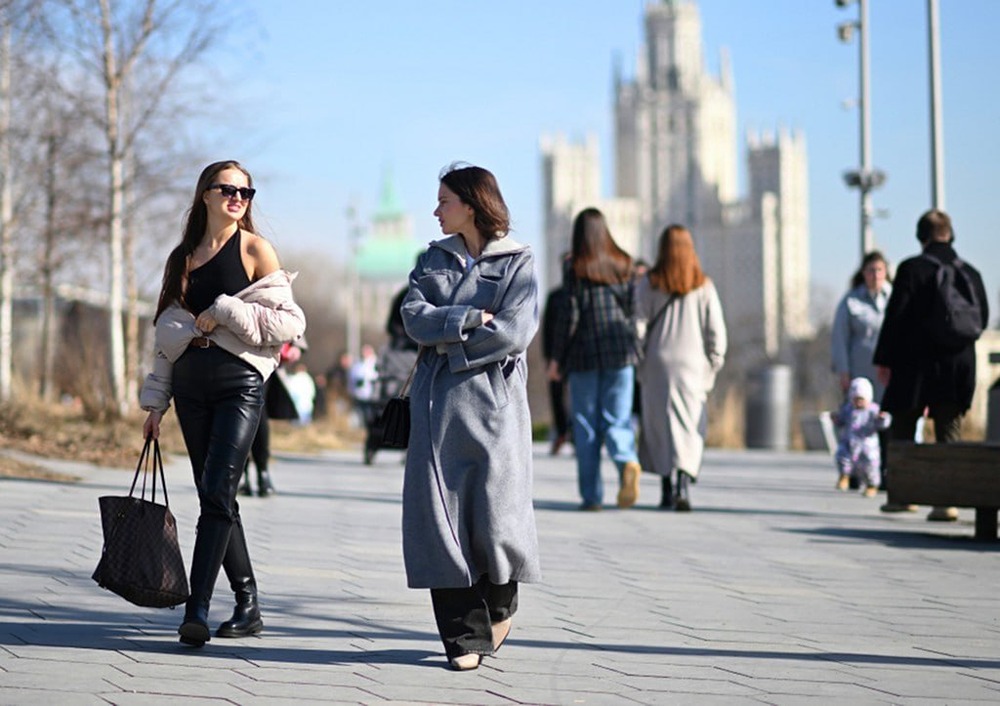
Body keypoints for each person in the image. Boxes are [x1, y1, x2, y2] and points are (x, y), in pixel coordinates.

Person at [139, 160, 306, 647]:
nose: (238, 197)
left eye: (246, 191)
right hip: (191, 389)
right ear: (205, 195)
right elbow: (166, 340)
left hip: (239, 384)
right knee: (217, 495)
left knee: (215, 490)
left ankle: (196, 609)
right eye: (228, 189)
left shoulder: (255, 249)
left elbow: (289, 323)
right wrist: (156, 405)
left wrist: (226, 310)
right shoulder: (182, 260)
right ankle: (248, 602)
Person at [400, 163, 540, 671]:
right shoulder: (430, 260)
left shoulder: (518, 262)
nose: (435, 210)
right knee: (441, 522)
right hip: (437, 410)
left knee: (498, 518)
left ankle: (500, 605)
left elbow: (513, 332)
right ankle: (462, 638)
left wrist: (452, 346)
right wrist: (464, 318)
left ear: (472, 204)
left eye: (444, 201)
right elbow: (413, 318)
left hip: (498, 408)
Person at [873, 209, 989, 520]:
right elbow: (983, 319)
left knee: (903, 427)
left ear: (921, 237)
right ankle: (945, 503)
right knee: (948, 430)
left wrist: (883, 359)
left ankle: (904, 496)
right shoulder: (971, 273)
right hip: (958, 364)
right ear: (950, 235)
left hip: (916, 364)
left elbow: (895, 317)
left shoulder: (912, 269)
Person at [547, 207, 642, 511]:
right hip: (621, 352)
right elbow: (631, 310)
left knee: (586, 425)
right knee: (618, 418)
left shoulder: (576, 266)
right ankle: (627, 460)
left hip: (584, 353)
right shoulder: (624, 262)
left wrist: (556, 358)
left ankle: (592, 496)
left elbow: (570, 315)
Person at [634, 225, 726, 512]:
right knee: (688, 426)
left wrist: (640, 360)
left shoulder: (649, 283)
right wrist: (713, 363)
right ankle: (683, 484)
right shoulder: (703, 285)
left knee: (659, 425)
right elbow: (716, 333)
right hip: (692, 366)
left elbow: (637, 327)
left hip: (657, 364)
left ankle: (664, 487)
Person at [831, 250, 893, 489]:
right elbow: (839, 338)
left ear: (886, 272)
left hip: (886, 374)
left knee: (883, 422)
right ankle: (852, 472)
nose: (875, 275)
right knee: (854, 424)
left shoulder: (895, 298)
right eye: (870, 270)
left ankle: (883, 473)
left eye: (879, 270)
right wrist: (843, 371)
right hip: (860, 373)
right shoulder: (851, 301)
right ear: (863, 273)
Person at [238, 341, 302, 498]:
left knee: (256, 413)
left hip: (263, 356)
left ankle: (262, 471)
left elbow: (291, 317)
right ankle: (241, 474)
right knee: (237, 414)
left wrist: (297, 345)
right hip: (230, 351)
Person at [364, 284, 419, 464]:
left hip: (403, 352)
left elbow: (390, 325)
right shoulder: (414, 292)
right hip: (410, 351)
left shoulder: (406, 292)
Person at [832, 377, 892, 497]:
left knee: (870, 464)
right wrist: (836, 419)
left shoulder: (873, 410)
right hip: (850, 440)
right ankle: (844, 476)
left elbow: (882, 425)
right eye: (856, 399)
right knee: (842, 455)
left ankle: (872, 485)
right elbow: (841, 421)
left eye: (861, 399)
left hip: (867, 443)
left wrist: (882, 419)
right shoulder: (848, 409)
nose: (858, 403)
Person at [540, 278, 571, 456]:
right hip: (555, 355)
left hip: (575, 355)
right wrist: (548, 357)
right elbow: (548, 328)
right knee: (556, 395)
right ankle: (561, 432)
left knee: (577, 397)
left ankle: (573, 435)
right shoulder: (555, 296)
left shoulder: (579, 291)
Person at [347, 344, 379, 430]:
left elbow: (375, 377)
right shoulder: (359, 364)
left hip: (370, 395)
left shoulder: (375, 363)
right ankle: (363, 429)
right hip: (359, 394)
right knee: (360, 415)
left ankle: (369, 429)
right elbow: (353, 378)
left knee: (369, 415)